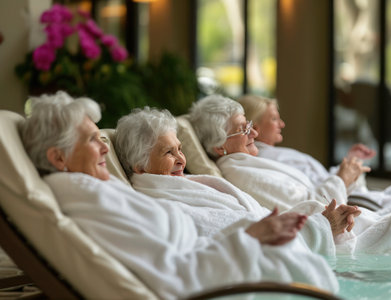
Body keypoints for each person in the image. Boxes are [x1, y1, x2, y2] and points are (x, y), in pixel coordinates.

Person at [20, 91, 339, 299]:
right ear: (59, 159)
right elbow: (175, 279)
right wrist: (249, 238)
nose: (105, 146)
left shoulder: (98, 193)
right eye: (92, 139)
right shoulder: (89, 202)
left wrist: (252, 235)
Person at [188, 94, 391, 254]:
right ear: (219, 145)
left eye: (250, 126)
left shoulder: (248, 163)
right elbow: (313, 209)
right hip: (344, 228)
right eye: (244, 129)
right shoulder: (239, 173)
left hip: (352, 216)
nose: (254, 133)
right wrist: (342, 179)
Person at [114, 107, 360, 256]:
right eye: (169, 153)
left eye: (180, 149)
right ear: (140, 166)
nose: (181, 159)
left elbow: (257, 220)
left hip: (305, 240)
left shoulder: (190, 185)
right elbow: (237, 239)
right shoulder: (162, 205)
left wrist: (320, 220)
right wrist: (319, 226)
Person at [237, 94, 391, 208]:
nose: (282, 123)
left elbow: (321, 180)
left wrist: (349, 163)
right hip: (353, 203)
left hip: (350, 193)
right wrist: (345, 175)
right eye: (274, 119)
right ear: (253, 127)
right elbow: (316, 194)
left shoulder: (275, 155)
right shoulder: (266, 160)